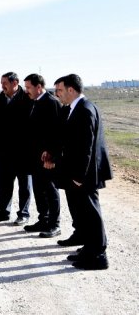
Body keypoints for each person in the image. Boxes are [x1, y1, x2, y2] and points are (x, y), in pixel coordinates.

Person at [47, 74, 112, 270]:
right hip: (80, 172)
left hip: (85, 174)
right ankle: (90, 248)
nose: (57, 94)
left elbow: (86, 147)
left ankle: (99, 255)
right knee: (84, 213)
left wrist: (78, 176)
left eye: (59, 90)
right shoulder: (74, 109)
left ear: (71, 90)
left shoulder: (84, 110)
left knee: (91, 213)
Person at [0, 72, 33, 225]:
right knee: (3, 183)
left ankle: (23, 213)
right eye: (1, 83)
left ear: (15, 83)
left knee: (24, 184)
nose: (2, 86)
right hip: (3, 151)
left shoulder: (27, 98)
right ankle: (3, 212)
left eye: (5, 82)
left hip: (23, 151)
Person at [22, 73, 62, 238]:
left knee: (50, 189)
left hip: (47, 157)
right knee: (39, 188)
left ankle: (54, 224)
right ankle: (43, 219)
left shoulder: (51, 103)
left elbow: (57, 132)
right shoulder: (35, 102)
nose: (26, 91)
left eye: (29, 87)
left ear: (39, 87)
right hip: (35, 155)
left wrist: (51, 154)